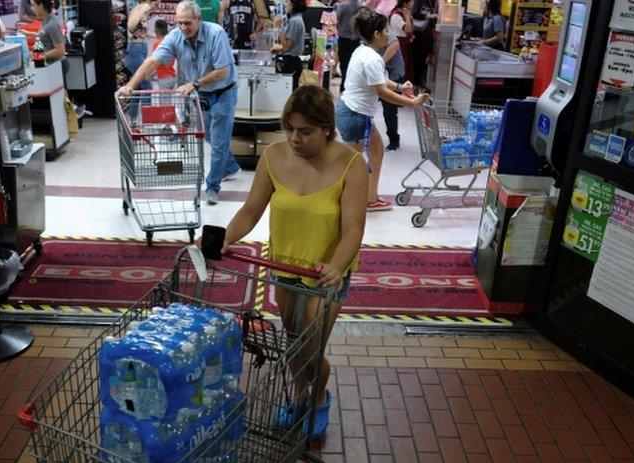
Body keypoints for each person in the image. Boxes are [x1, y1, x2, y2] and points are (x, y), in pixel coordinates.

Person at [216, 85, 367, 439]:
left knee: (310, 348)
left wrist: (337, 265)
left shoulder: (352, 165)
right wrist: (225, 237)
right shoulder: (274, 156)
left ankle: (315, 400)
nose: (295, 139)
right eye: (290, 128)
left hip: (325, 274)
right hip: (285, 268)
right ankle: (303, 396)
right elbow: (251, 211)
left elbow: (353, 229)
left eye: (306, 131)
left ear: (327, 127)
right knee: (293, 344)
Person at [118, 1, 240, 205]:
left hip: (224, 92)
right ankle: (230, 166)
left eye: (187, 23)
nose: (183, 27)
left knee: (218, 140)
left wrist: (194, 83)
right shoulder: (175, 37)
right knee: (210, 135)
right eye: (179, 22)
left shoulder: (215, 34)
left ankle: (212, 187)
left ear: (198, 20)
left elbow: (222, 72)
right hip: (203, 94)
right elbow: (152, 61)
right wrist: (130, 85)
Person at [336, 8, 427, 211]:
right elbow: (381, 91)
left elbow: (381, 81)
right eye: (386, 31)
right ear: (376, 34)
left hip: (351, 112)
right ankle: (352, 199)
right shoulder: (372, 58)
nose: (389, 34)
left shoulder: (363, 51)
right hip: (356, 116)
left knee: (372, 153)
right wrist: (411, 103)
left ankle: (369, 198)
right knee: (353, 162)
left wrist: (400, 87)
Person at [379, 22, 406, 151]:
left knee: (389, 110)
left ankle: (394, 140)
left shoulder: (381, 26)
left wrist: (380, 62)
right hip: (381, 74)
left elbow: (395, 44)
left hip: (393, 74)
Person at [271, 0, 307, 88]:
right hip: (293, 62)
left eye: (287, 1)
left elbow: (287, 46)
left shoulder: (294, 21)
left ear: (293, 4)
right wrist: (279, 48)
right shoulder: (297, 18)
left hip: (291, 63)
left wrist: (279, 27)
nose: (284, 4)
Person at [125, 0, 155, 93]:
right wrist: (143, 10)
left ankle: (134, 108)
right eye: (156, 4)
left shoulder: (144, 13)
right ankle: (146, 108)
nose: (156, 6)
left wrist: (161, 36)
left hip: (139, 48)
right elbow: (130, 26)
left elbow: (142, 32)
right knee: (147, 87)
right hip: (136, 49)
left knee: (136, 87)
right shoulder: (139, 10)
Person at [335, 0, 363, 92]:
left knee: (344, 64)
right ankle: (352, 86)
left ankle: (344, 85)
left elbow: (336, 19)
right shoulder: (360, 6)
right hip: (356, 40)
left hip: (343, 39)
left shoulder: (342, 6)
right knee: (354, 64)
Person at [410, 0, 437, 89]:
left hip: (428, 36)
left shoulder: (433, 3)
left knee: (423, 63)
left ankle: (418, 85)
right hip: (418, 35)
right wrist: (428, 16)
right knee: (417, 62)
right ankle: (414, 86)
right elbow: (413, 14)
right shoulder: (419, 1)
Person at [31, 0, 65, 64]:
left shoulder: (52, 25)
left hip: (57, 66)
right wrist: (26, 33)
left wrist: (39, 56)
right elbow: (43, 35)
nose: (32, 8)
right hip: (51, 65)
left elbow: (60, 51)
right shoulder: (45, 20)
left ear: (41, 6)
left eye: (33, 5)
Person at [389, 0, 412, 82]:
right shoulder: (396, 16)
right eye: (411, 2)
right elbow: (408, 29)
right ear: (405, 3)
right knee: (402, 67)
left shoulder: (401, 14)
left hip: (404, 44)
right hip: (400, 44)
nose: (412, 4)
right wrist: (407, 16)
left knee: (407, 66)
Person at [151, 19, 178, 90]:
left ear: (155, 31)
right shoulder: (170, 41)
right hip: (173, 75)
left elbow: (154, 61)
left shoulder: (157, 43)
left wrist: (148, 73)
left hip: (163, 77)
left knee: (165, 101)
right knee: (172, 100)